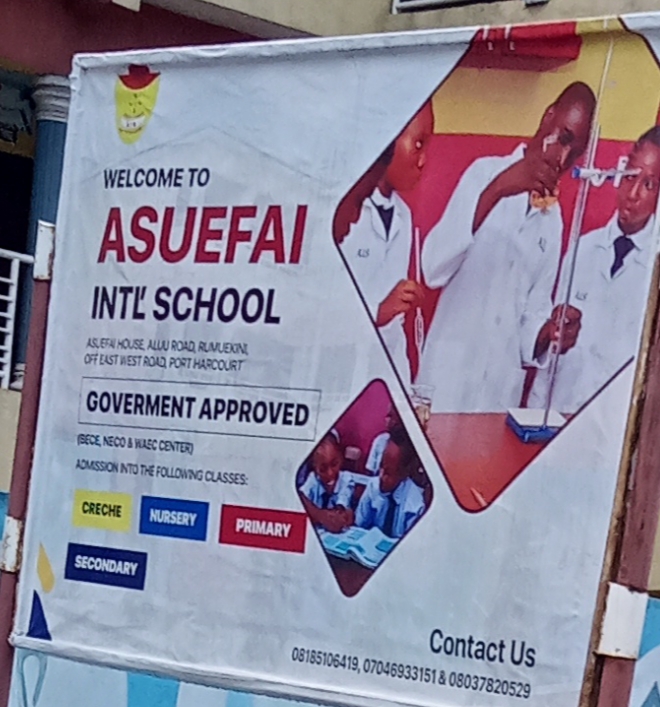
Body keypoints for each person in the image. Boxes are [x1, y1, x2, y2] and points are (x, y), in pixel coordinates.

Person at [417, 82, 596, 412]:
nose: (563, 157)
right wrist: (498, 189)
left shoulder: (553, 221)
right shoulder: (484, 173)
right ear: (548, 116)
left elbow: (533, 312)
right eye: (564, 138)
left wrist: (549, 333)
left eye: (575, 152)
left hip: (497, 395)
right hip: (448, 380)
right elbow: (432, 268)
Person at [529, 126, 660, 414]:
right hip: (556, 414)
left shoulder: (656, 266)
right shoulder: (584, 248)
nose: (633, 194)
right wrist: (534, 414)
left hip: (613, 425)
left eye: (649, 185)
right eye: (630, 176)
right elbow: (555, 344)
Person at [339, 102, 432, 387]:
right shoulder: (343, 213)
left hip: (387, 378)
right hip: (340, 373)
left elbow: (395, 329)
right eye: (418, 144)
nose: (423, 161)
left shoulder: (404, 215)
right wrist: (379, 312)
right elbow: (314, 314)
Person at [355, 426, 425, 539]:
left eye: (388, 473)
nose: (381, 476)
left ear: (404, 473)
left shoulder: (414, 505)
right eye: (381, 466)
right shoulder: (373, 486)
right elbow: (359, 525)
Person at [298, 433, 355, 533]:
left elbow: (343, 501)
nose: (330, 473)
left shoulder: (346, 479)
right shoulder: (313, 480)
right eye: (323, 469)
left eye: (334, 464)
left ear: (341, 458)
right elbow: (301, 498)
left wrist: (343, 513)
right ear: (315, 468)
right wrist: (319, 515)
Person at [364, 405, 402, 475]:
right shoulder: (380, 439)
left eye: (391, 416)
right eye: (387, 416)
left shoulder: (407, 445)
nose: (387, 419)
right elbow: (370, 469)